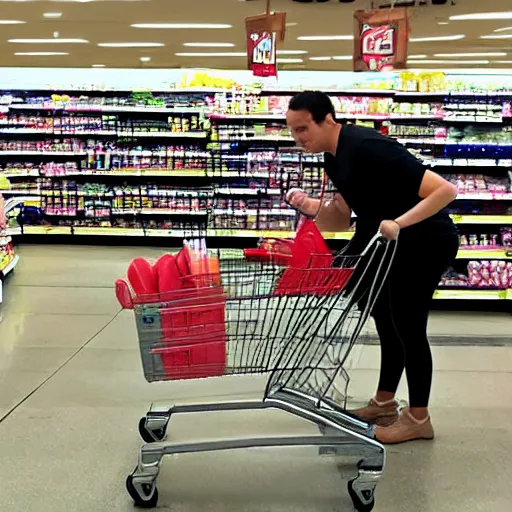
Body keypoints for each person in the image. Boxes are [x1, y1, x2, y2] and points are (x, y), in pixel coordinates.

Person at [285, 91, 460, 445]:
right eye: (293, 131)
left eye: (303, 129)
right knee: (385, 319)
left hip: (424, 241)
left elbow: (444, 191)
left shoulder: (368, 146)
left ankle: (418, 418)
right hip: (387, 243)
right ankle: (384, 402)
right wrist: (308, 204)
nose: (299, 138)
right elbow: (340, 217)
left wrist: (399, 222)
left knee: (409, 326)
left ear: (328, 119)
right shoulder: (333, 158)